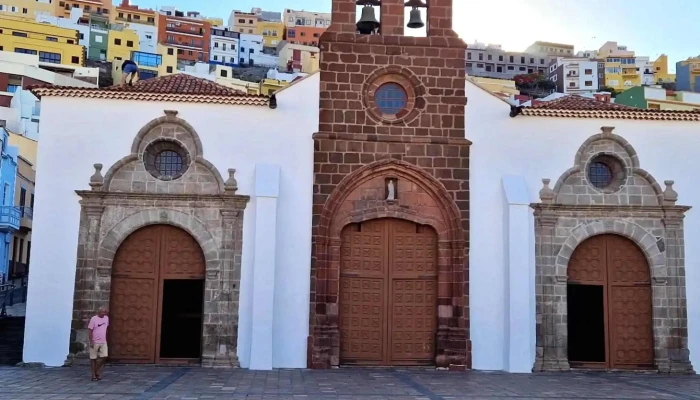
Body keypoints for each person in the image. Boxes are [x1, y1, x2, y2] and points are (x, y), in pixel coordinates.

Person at [88, 306, 109, 381]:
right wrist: (91, 341)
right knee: (93, 358)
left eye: (104, 312)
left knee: (104, 356)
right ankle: (94, 375)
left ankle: (96, 370)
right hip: (95, 341)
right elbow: (90, 330)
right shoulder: (94, 319)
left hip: (103, 341)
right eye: (102, 312)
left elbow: (106, 329)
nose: (103, 313)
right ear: (98, 312)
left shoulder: (106, 318)